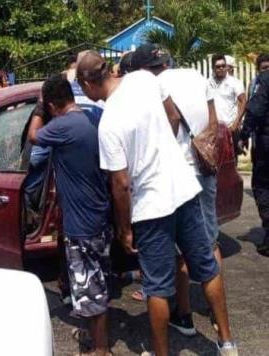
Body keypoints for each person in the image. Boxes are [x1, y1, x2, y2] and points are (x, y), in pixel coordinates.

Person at [75, 50, 237, 356]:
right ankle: (227, 343)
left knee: (157, 287)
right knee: (207, 267)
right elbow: (173, 116)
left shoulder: (108, 123)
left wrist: (124, 230)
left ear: (86, 83)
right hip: (185, 189)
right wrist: (166, 151)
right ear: (108, 68)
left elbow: (121, 184)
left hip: (152, 206)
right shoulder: (144, 79)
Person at [132, 44, 224, 338]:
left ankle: (183, 315)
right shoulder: (197, 77)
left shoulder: (150, 87)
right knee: (210, 242)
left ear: (143, 69)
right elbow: (214, 121)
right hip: (204, 166)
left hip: (176, 177)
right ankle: (217, 314)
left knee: (176, 252)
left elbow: (158, 129)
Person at [28, 74, 111, 356]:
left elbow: (33, 135)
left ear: (52, 104)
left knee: (91, 286)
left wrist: (39, 107)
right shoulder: (88, 119)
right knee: (88, 282)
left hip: (81, 223)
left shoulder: (63, 125)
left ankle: (100, 349)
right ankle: (89, 334)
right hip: (96, 213)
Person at [239, 70, 269, 257]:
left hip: (266, 144)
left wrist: (244, 134)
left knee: (263, 186)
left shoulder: (265, 80)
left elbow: (255, 110)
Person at [209, 54, 246, 158]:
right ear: (213, 68)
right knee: (215, 162)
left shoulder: (235, 82)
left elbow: (243, 101)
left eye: (223, 65)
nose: (221, 68)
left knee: (231, 163)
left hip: (230, 129)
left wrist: (236, 123)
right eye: (218, 66)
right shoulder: (207, 83)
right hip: (214, 130)